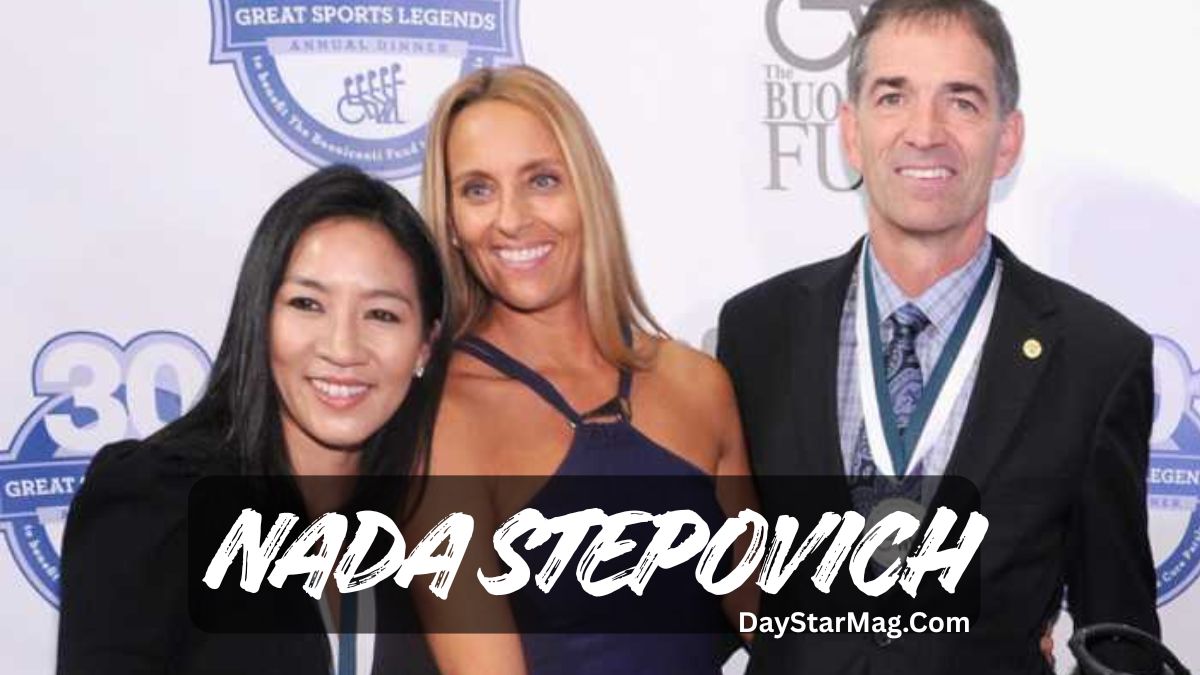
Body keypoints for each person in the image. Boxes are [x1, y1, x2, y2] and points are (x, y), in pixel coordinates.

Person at [718, 1, 1160, 673]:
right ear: (851, 132)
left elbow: (1119, 642)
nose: (925, 132)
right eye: (893, 97)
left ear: (1007, 139)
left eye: (962, 101)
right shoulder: (758, 332)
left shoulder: (1097, 359)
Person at [417, 65, 756, 674]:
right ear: (452, 225)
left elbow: (771, 623)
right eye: (477, 190)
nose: (511, 218)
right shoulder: (443, 420)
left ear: (589, 193)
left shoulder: (697, 384)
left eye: (542, 180)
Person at [57, 165, 446, 675]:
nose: (343, 347)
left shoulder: (419, 534)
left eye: (382, 314)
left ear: (424, 346)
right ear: (259, 318)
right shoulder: (159, 500)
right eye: (307, 304)